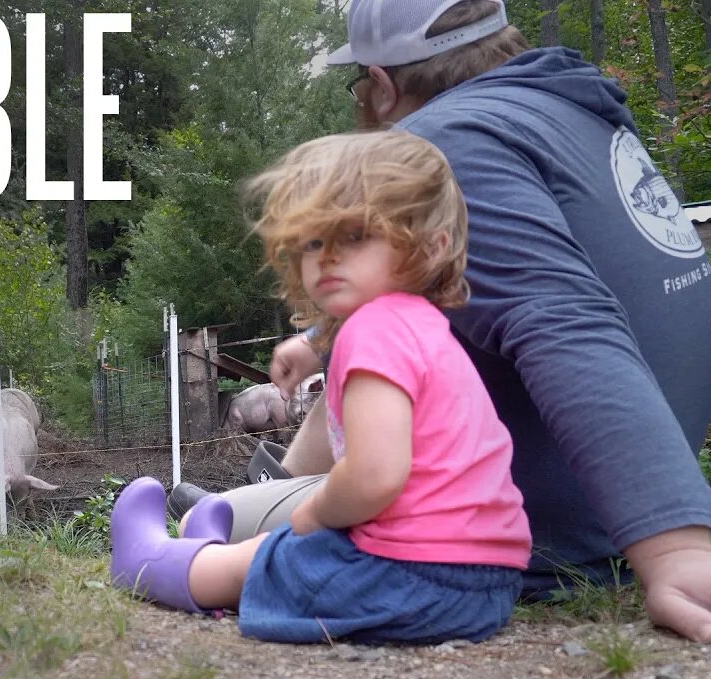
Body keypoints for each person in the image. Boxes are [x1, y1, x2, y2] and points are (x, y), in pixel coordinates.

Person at [168, 0, 711, 643]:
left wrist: (678, 549)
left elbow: (564, 323)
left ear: (383, 85)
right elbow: (447, 279)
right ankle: (280, 487)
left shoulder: (441, 151)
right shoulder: (564, 117)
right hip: (607, 486)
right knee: (372, 337)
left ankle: (259, 508)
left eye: (360, 87)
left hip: (521, 529)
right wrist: (318, 340)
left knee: (212, 527)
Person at [111, 130, 532, 644]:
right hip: (488, 582)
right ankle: (206, 543)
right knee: (289, 544)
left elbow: (374, 476)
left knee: (275, 554)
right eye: (313, 241)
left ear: (430, 247)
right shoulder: (420, 323)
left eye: (354, 236)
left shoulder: (373, 331)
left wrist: (315, 513)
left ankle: (147, 563)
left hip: (409, 579)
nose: (326, 257)